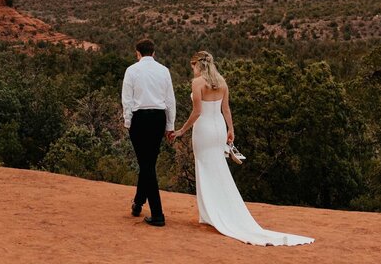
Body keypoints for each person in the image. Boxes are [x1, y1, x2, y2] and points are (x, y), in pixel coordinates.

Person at [172, 51, 314, 246]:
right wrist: (230, 129)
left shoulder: (197, 83)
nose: (193, 69)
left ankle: (209, 214)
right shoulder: (221, 81)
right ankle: (216, 212)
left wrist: (181, 131)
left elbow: (197, 112)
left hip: (204, 129)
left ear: (198, 64)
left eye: (193, 65)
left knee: (204, 168)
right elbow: (226, 109)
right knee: (218, 169)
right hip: (219, 127)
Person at [121, 37, 175, 226]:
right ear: (153, 52)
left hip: (140, 119)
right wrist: (170, 125)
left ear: (138, 53)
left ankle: (158, 214)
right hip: (159, 118)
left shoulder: (132, 70)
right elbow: (170, 100)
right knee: (148, 162)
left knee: (146, 164)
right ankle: (138, 203)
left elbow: (126, 99)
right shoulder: (164, 71)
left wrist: (128, 121)